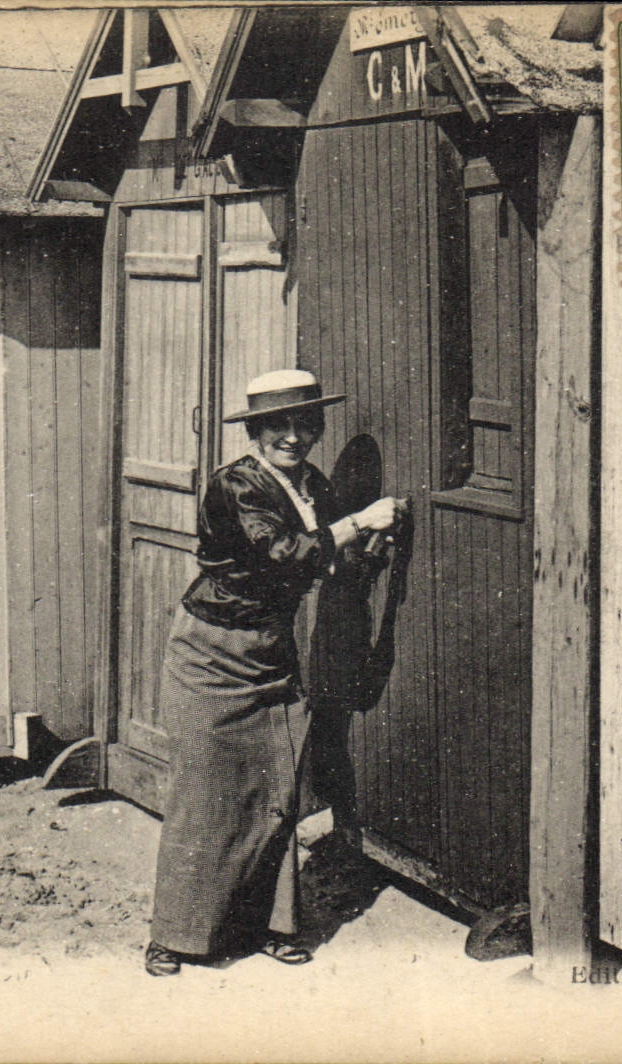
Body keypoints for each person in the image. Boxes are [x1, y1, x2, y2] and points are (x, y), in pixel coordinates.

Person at [143, 370, 406, 977]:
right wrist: (362, 523)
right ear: (257, 432)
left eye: (304, 424)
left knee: (275, 792)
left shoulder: (310, 484)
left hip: (270, 651)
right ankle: (174, 935)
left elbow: (331, 549)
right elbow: (286, 554)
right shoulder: (235, 485)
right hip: (212, 653)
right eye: (279, 426)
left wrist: (374, 543)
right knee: (204, 796)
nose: (294, 436)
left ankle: (270, 925)